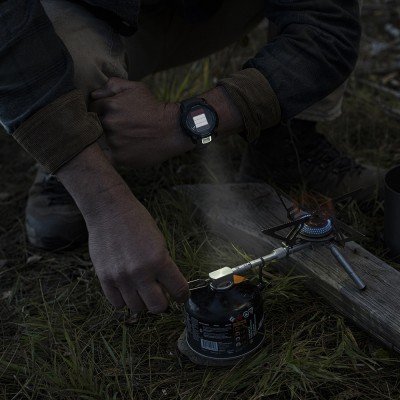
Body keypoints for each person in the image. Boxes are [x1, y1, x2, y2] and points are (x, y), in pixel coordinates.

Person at [0, 0, 379, 315]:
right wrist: (104, 205)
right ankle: (78, 156)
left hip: (209, 9)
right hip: (89, 9)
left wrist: (180, 124)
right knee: (56, 42)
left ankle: (287, 144)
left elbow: (326, 24)